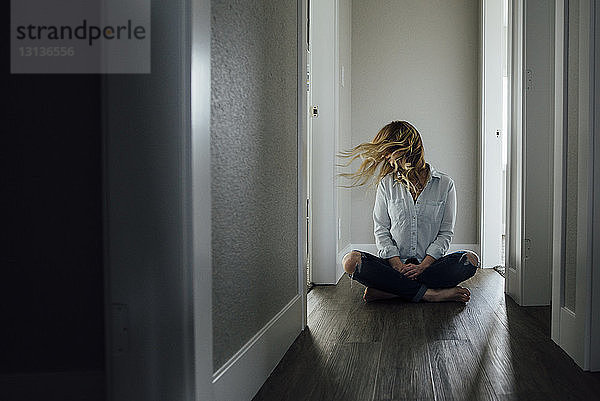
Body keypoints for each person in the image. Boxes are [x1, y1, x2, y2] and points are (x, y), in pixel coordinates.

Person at [339, 121, 479, 303]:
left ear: (406, 147)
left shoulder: (445, 184)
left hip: (430, 266)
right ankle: (431, 294)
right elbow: (381, 230)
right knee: (350, 261)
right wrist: (397, 265)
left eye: (389, 150)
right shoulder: (386, 184)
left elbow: (445, 234)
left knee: (470, 260)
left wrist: (423, 266)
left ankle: (392, 291)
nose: (387, 157)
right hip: (392, 266)